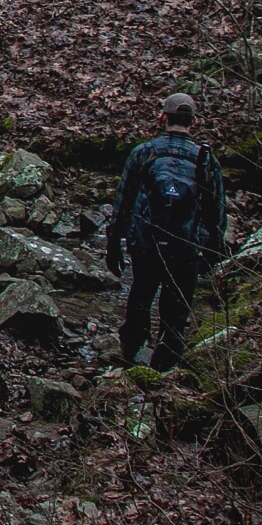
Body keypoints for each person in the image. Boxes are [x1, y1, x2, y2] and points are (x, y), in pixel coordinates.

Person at [104, 91, 226, 371]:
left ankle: (130, 356)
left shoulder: (144, 152)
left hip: (146, 244)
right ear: (193, 121)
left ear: (163, 117)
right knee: (176, 312)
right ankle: (165, 370)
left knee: (141, 296)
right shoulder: (206, 160)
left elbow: (123, 203)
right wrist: (213, 250)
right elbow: (217, 212)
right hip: (186, 248)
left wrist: (114, 243)